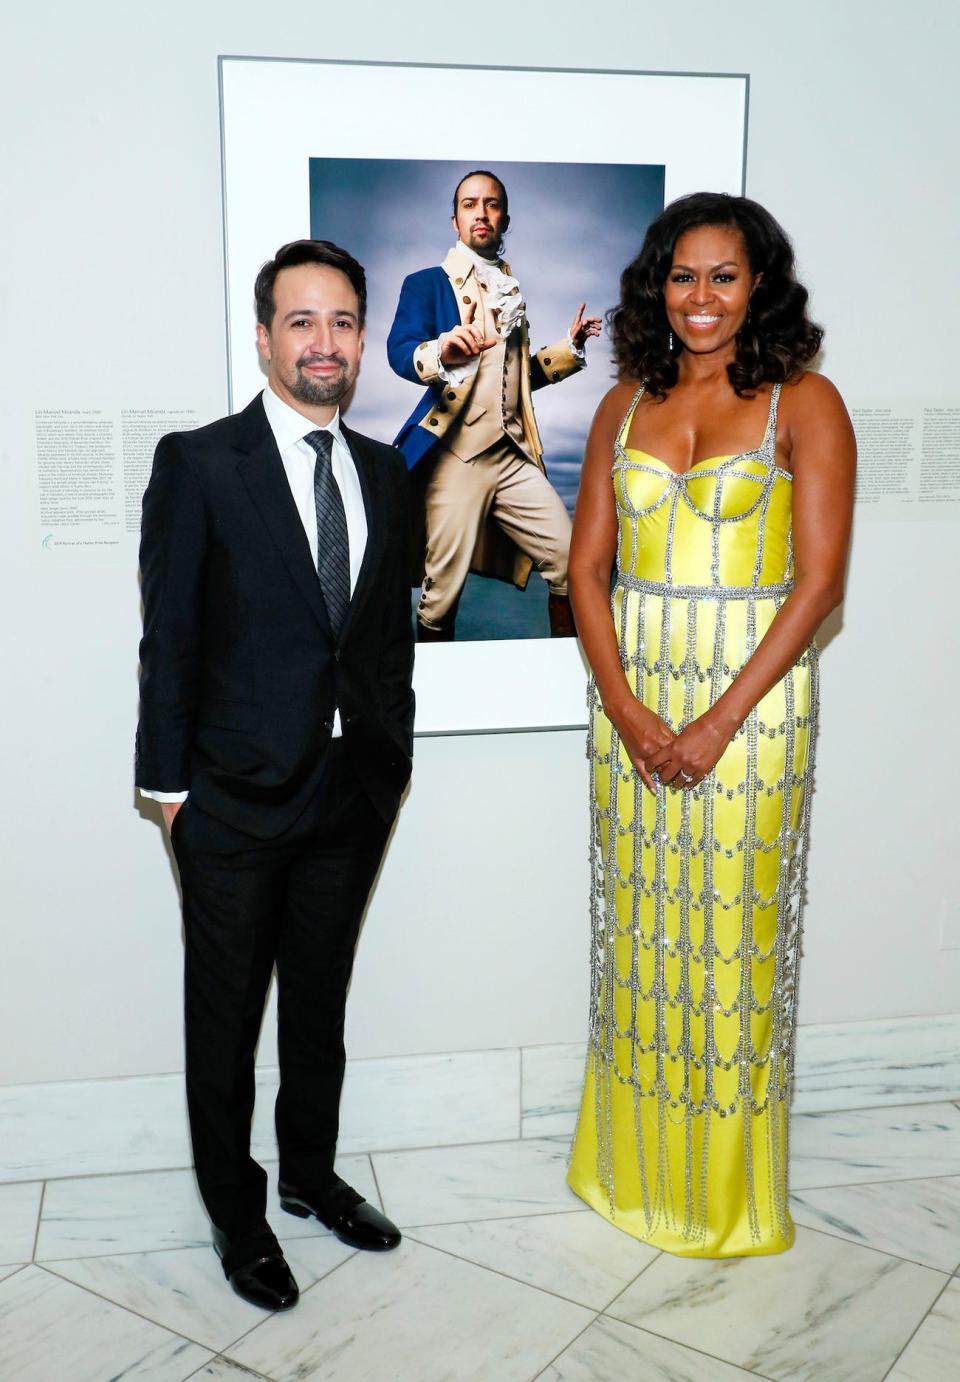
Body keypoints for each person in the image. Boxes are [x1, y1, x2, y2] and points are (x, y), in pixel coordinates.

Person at [566, 193, 855, 1257]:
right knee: (640, 943)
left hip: (755, 717)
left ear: (759, 285)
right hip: (629, 713)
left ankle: (720, 1194)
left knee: (732, 945)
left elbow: (819, 582)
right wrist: (632, 711)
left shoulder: (806, 403)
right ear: (658, 285)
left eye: (724, 276)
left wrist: (717, 723)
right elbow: (584, 569)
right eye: (683, 276)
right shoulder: (623, 406)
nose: (701, 298)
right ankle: (628, 1168)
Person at [136, 240, 415, 1310]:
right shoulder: (202, 463)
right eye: (302, 321)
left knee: (321, 1001)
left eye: (342, 321)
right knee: (226, 1016)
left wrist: (390, 756)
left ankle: (309, 1174)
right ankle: (237, 1212)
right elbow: (171, 634)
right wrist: (166, 788)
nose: (325, 342)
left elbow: (385, 636)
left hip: (353, 793)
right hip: (233, 800)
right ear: (264, 338)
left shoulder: (386, 471)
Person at [387, 169, 601, 640]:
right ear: (455, 219)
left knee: (568, 560)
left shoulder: (511, 289)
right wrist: (441, 350)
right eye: (469, 204)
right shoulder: (426, 282)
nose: (480, 213)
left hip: (512, 454)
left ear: (504, 218)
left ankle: (561, 678)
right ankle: (436, 698)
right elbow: (399, 351)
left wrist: (569, 348)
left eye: (491, 204)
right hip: (455, 456)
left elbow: (516, 381)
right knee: (440, 594)